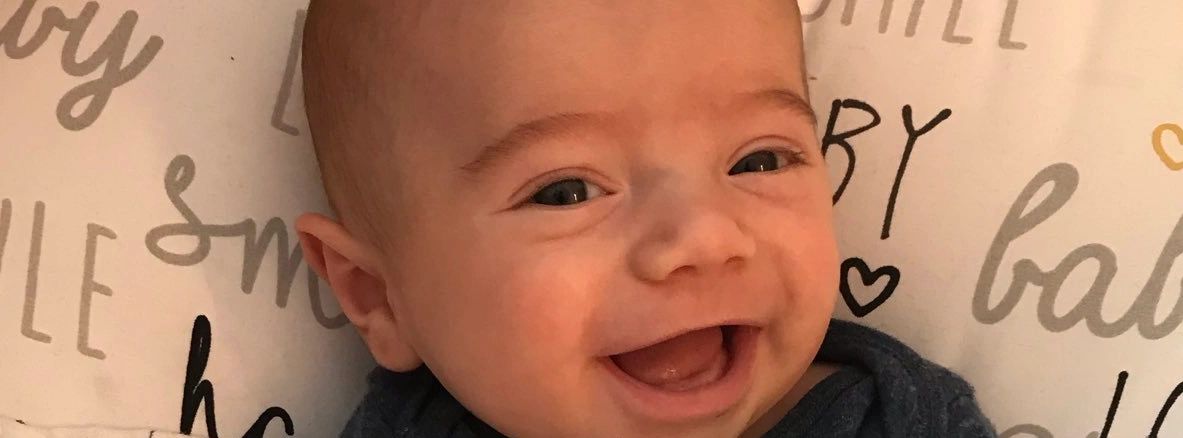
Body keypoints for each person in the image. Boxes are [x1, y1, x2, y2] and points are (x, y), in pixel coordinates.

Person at [294, 1, 997, 436]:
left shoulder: (904, 421)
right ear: (377, 296)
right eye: (567, 192)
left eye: (758, 161)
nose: (703, 236)